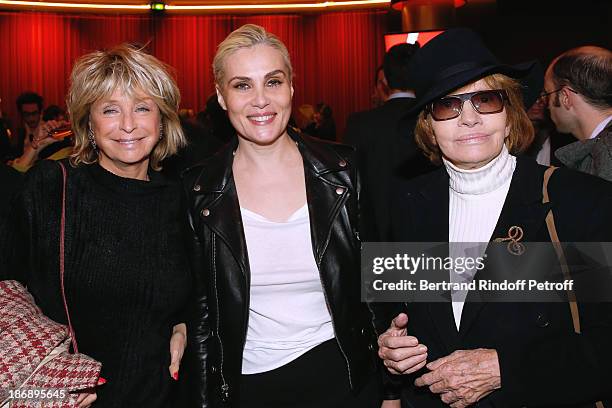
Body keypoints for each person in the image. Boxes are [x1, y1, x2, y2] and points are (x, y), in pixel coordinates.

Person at [375, 28, 612, 407]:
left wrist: (509, 369)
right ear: (430, 128)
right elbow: (402, 316)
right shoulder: (407, 203)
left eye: (485, 99)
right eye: (447, 105)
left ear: (509, 113)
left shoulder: (579, 201)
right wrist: (391, 351)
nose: (469, 118)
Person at [183, 24, 379, 408]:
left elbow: (374, 278)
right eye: (242, 86)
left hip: (345, 377)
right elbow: (202, 310)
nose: (261, 100)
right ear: (221, 97)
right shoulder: (198, 188)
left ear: (291, 87)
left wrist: (390, 390)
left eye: (273, 82)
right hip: (248, 384)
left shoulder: (343, 169)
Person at [0, 44, 191, 408]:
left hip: (159, 396)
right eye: (110, 110)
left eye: (142, 107)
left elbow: (192, 290)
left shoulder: (180, 198)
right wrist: (41, 392)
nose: (128, 124)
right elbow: (5, 289)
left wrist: (184, 323)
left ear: (162, 119)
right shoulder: (52, 186)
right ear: (89, 122)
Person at [344, 42, 436, 240]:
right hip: (429, 236)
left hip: (374, 238)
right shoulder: (435, 118)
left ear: (384, 79)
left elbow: (350, 185)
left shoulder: (359, 124)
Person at [544, 46, 612, 180]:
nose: (547, 106)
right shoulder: (598, 149)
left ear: (565, 97)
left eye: (548, 94)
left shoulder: (606, 154)